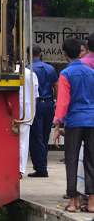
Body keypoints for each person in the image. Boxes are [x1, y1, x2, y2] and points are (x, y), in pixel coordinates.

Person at [53, 38, 94, 212]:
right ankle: (92, 203)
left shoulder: (66, 74)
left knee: (71, 160)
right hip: (92, 119)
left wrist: (57, 125)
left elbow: (63, 102)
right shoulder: (91, 72)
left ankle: (72, 202)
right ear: (80, 51)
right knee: (91, 161)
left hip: (75, 121)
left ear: (64, 53)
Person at [27, 45, 59, 178]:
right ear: (40, 54)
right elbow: (56, 85)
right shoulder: (50, 68)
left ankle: (41, 168)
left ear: (28, 56)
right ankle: (42, 164)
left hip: (36, 105)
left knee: (36, 137)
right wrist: (56, 102)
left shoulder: (28, 70)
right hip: (48, 105)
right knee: (45, 137)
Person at [19, 66, 39, 178]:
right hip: (26, 112)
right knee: (23, 142)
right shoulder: (31, 74)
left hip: (10, 110)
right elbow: (35, 96)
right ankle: (20, 169)